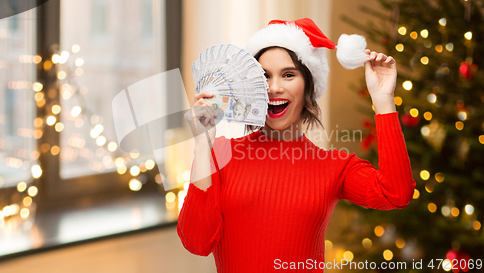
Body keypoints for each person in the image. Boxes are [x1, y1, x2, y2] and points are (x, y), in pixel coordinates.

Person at [178, 18, 416, 273]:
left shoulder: (334, 167)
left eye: (289, 75)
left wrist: (383, 100)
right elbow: (197, 243)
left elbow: (396, 193)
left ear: (308, 87)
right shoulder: (218, 154)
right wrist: (202, 145)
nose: (274, 87)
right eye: (263, 76)